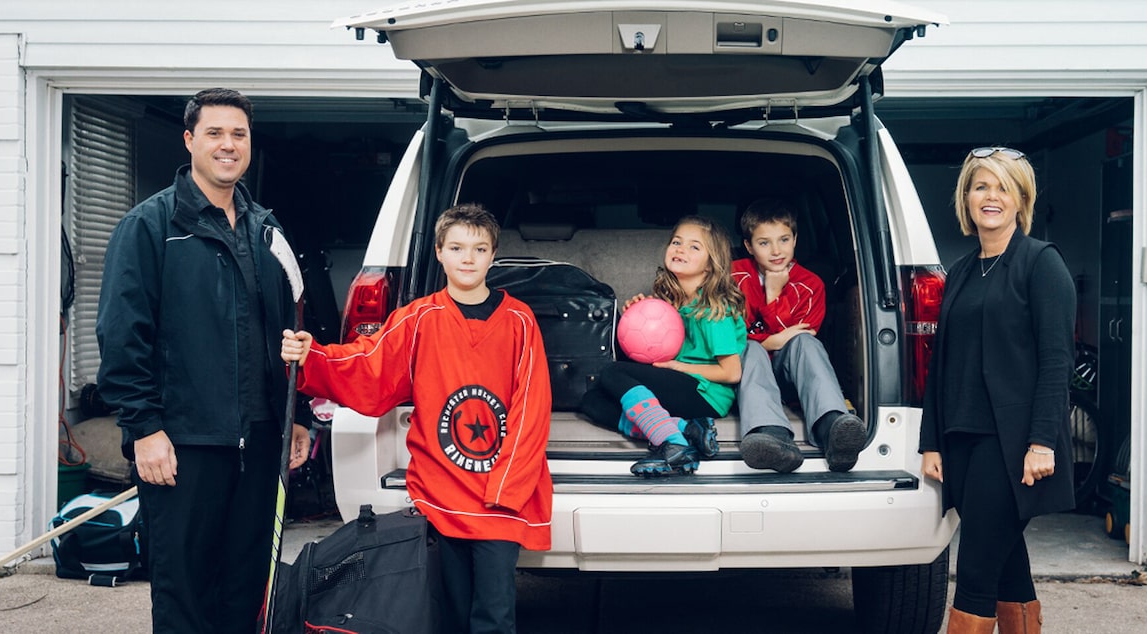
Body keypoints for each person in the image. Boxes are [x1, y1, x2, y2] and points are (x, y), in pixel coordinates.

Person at [95, 88, 311, 633]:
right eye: (214, 133)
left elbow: (289, 331)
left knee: (244, 590)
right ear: (189, 139)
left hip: (260, 441)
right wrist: (143, 428)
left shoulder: (267, 230)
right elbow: (123, 335)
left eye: (238, 134)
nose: (228, 145)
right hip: (183, 444)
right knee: (184, 591)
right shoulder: (150, 227)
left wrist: (297, 415)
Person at [280, 204, 552, 633]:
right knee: (450, 609)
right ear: (440, 253)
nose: (468, 257)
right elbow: (368, 366)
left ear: (493, 255)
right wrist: (312, 356)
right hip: (443, 488)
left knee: (495, 614)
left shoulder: (519, 320)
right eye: (458, 247)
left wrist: (506, 486)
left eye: (479, 248)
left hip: (500, 494)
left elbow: (531, 407)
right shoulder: (419, 317)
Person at [919, 147, 1075, 634]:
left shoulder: (1040, 263)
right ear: (966, 198)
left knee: (976, 570)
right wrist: (930, 439)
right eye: (981, 186)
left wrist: (1043, 441)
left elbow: (1056, 361)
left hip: (1012, 445)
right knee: (1009, 568)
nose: (991, 196)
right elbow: (940, 362)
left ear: (1020, 199)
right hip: (961, 437)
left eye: (1002, 187)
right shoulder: (961, 271)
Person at [579, 215, 746, 476]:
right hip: (683, 383)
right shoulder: (671, 302)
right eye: (677, 242)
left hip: (707, 394)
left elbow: (732, 372)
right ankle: (685, 428)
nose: (681, 249)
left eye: (694, 246)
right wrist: (639, 316)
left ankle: (673, 444)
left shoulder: (715, 310)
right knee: (592, 400)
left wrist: (680, 367)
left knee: (613, 373)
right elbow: (654, 354)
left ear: (711, 264)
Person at [731, 198, 868, 473]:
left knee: (805, 342)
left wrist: (772, 298)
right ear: (748, 246)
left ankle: (831, 426)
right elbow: (729, 336)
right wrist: (770, 337)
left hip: (791, 378)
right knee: (749, 348)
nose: (776, 251)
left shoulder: (810, 284)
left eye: (783, 239)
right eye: (764, 242)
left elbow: (800, 336)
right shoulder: (735, 276)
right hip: (745, 377)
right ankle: (771, 433)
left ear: (795, 239)